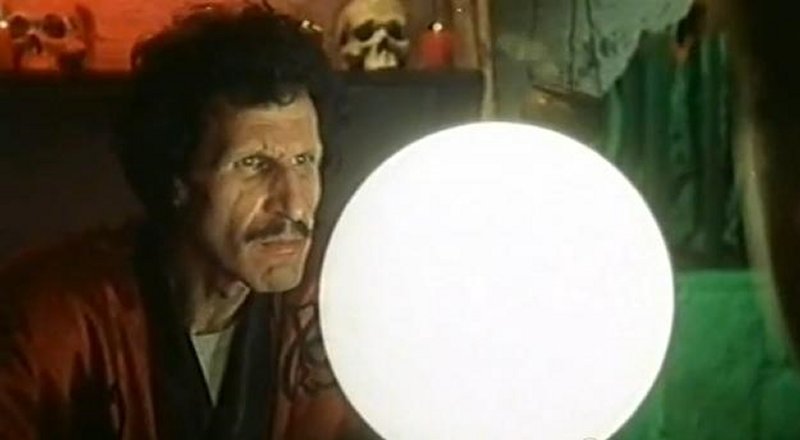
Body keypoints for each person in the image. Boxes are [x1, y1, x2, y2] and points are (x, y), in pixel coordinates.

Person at [0, 5, 372, 439]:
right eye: (254, 164)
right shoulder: (49, 317)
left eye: (305, 162)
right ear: (176, 177)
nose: (294, 204)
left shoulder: (336, 305)